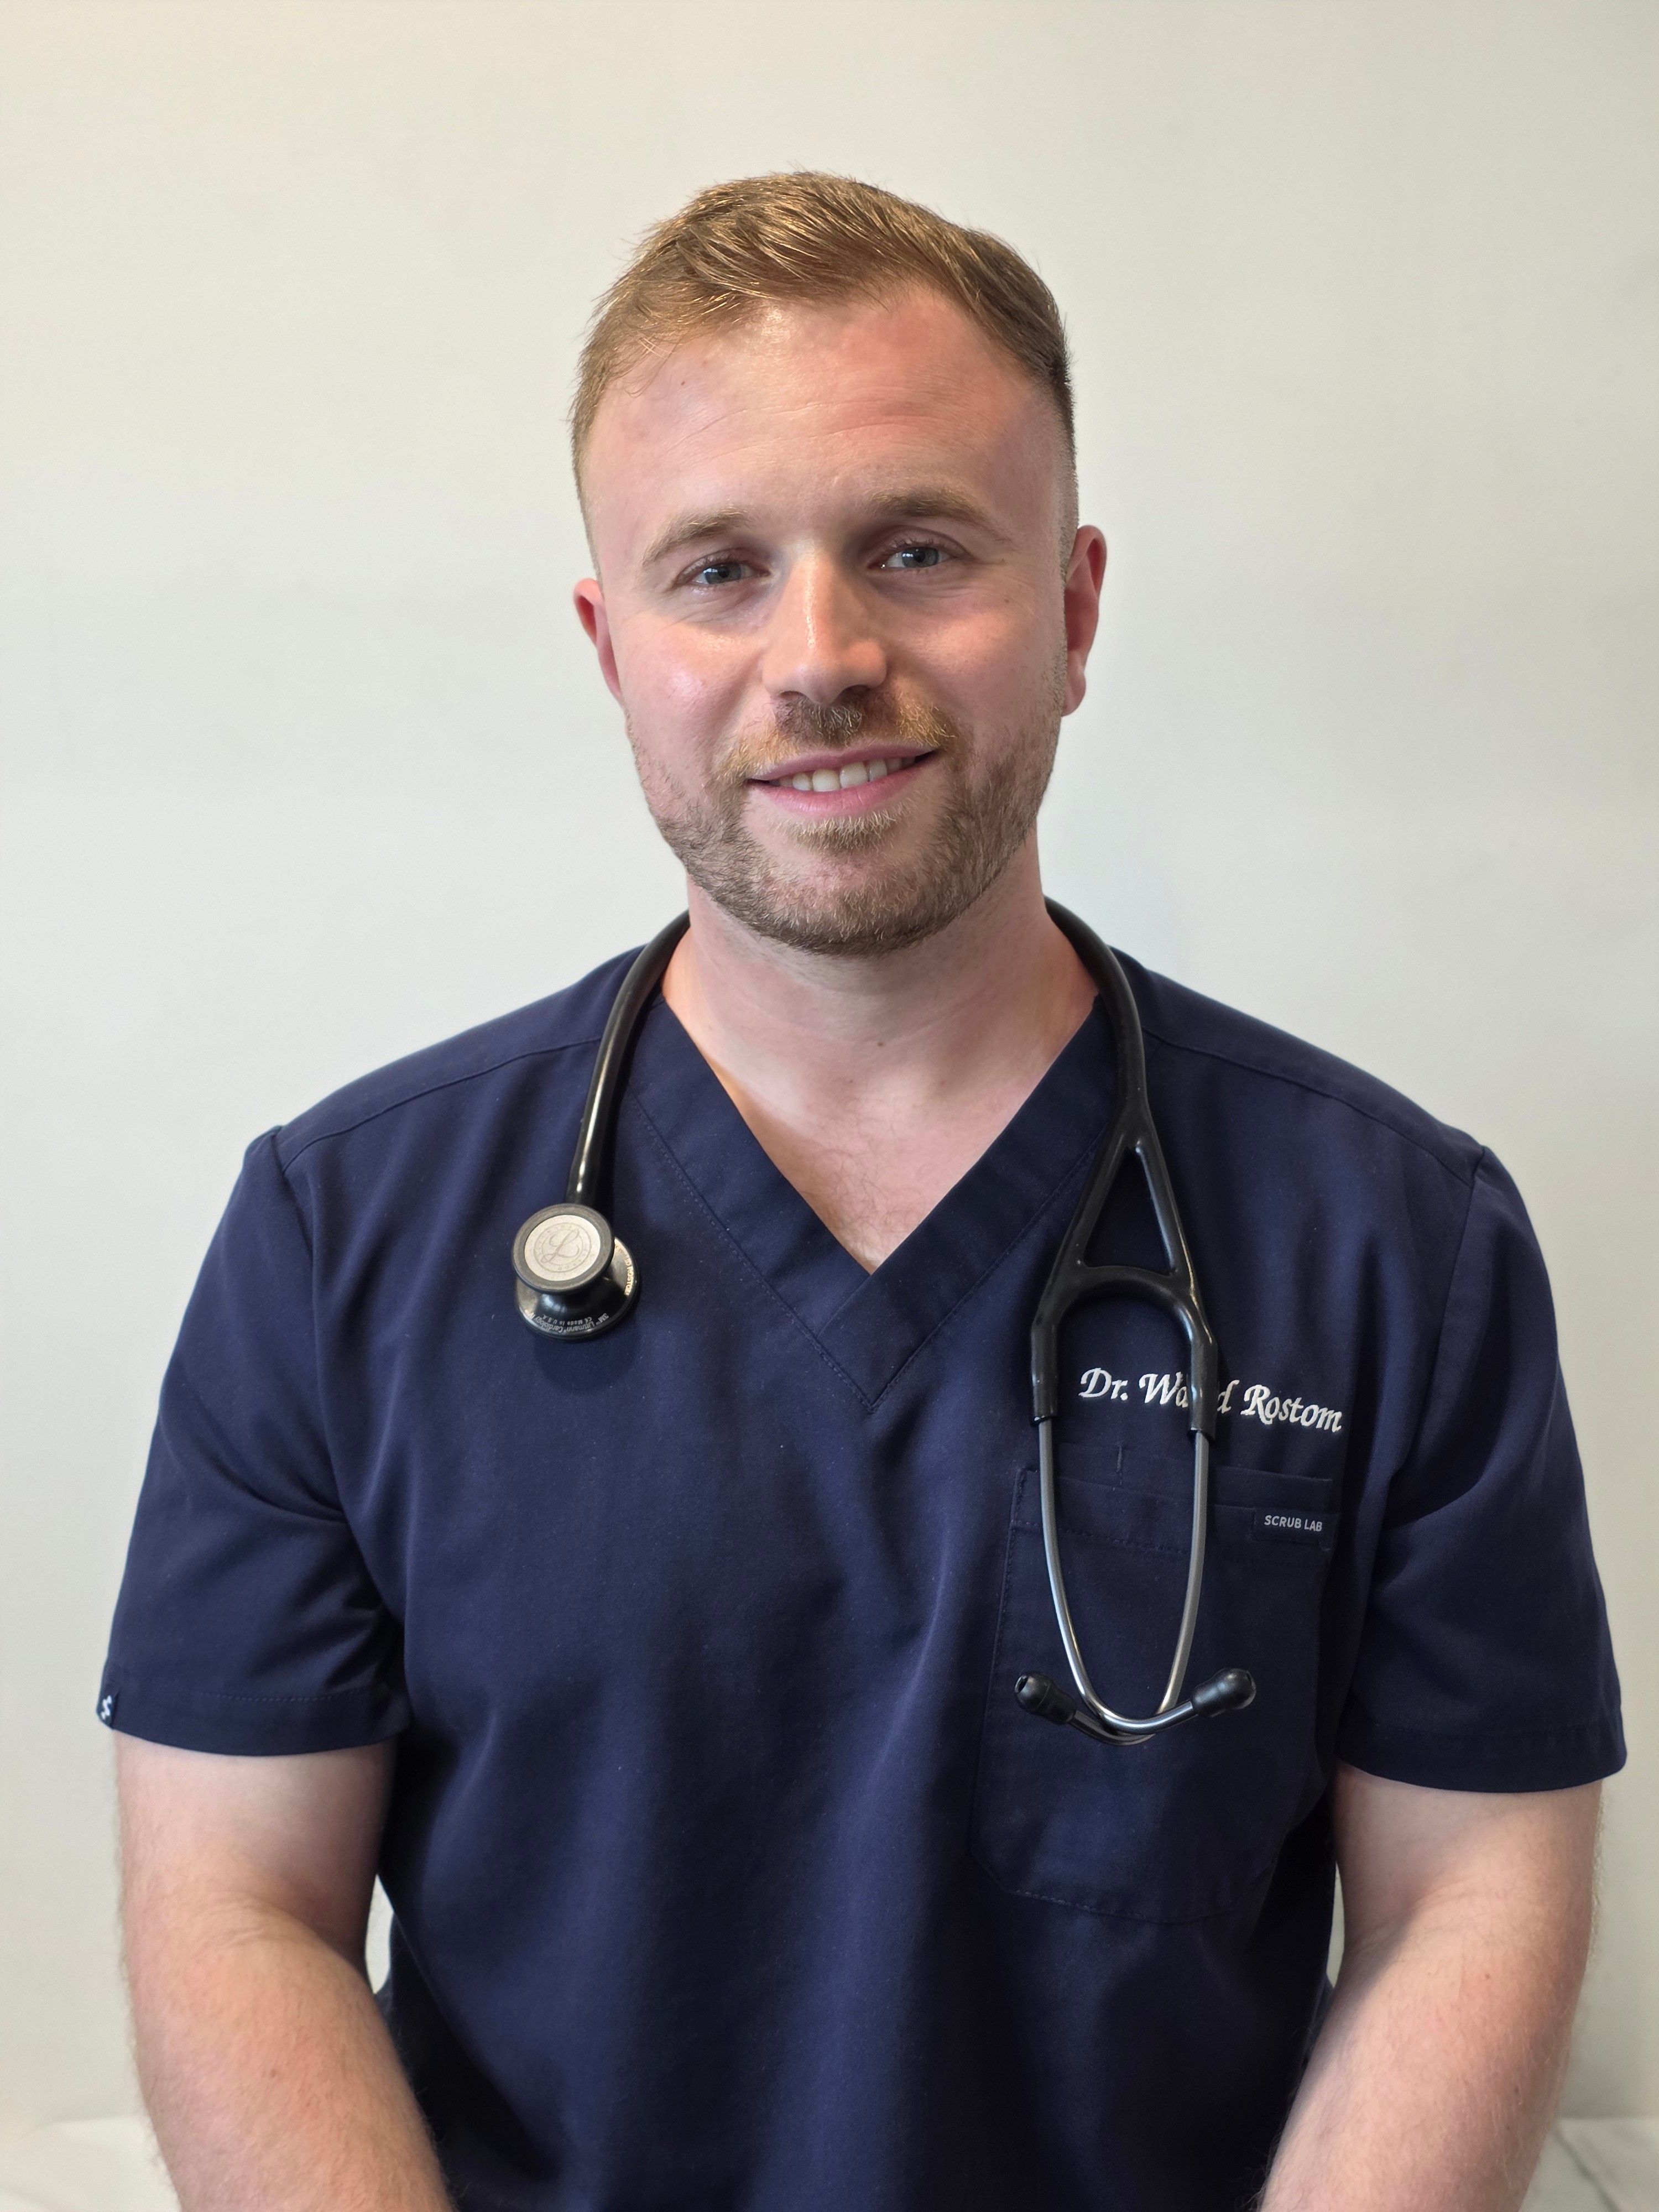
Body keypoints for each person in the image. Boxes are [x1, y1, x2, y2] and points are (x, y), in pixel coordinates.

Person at [103, 174, 1623, 2212]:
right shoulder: (338, 1240)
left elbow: (1473, 1903)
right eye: (716, 570)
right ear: (610, 643)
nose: (818, 657)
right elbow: (239, 1909)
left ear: (1077, 609)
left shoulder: (1394, 1250)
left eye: (917, 548)